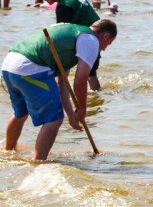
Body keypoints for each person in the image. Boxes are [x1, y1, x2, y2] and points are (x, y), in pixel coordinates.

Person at [2, 20, 117, 160]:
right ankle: (39, 163)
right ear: (105, 36)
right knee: (54, 119)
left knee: (21, 113)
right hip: (30, 67)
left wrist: (71, 116)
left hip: (9, 64)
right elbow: (80, 81)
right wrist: (82, 109)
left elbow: (62, 83)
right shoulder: (90, 40)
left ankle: (8, 153)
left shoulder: (70, 32)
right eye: (108, 44)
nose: (104, 49)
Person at [38, 0, 103, 90]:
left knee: (67, 68)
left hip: (90, 36)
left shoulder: (64, 7)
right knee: (91, 73)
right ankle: (96, 101)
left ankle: (61, 93)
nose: (45, 0)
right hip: (100, 31)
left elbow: (61, 34)